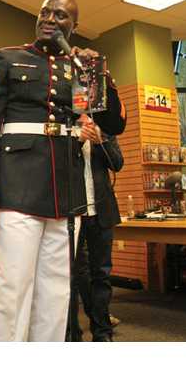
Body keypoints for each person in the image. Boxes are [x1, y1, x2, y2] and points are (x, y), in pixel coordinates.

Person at [0, 0, 126, 341]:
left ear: (74, 26)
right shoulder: (9, 59)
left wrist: (95, 70)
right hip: (19, 187)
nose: (49, 19)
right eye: (45, 12)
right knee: (13, 286)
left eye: (59, 15)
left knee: (56, 290)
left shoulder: (79, 68)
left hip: (65, 193)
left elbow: (114, 123)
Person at [73, 116, 124, 342]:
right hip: (73, 213)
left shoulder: (105, 130)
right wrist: (77, 140)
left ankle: (102, 331)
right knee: (74, 275)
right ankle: (72, 332)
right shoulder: (65, 128)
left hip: (102, 211)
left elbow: (117, 164)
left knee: (101, 274)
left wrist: (101, 140)